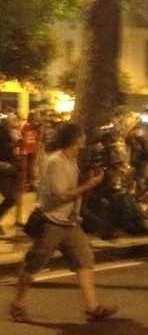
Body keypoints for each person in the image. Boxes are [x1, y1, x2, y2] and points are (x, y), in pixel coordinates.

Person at [9, 122, 117, 323]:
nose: (85, 139)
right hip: (52, 222)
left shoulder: (72, 160)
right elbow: (61, 194)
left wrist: (88, 181)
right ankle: (17, 304)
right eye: (82, 135)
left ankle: (92, 308)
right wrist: (88, 185)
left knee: (84, 260)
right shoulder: (56, 161)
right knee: (33, 264)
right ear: (75, 139)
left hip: (70, 223)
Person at [0, 119, 19, 236]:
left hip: (8, 172)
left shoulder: (12, 139)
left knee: (11, 198)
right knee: (11, 198)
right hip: (4, 171)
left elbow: (15, 155)